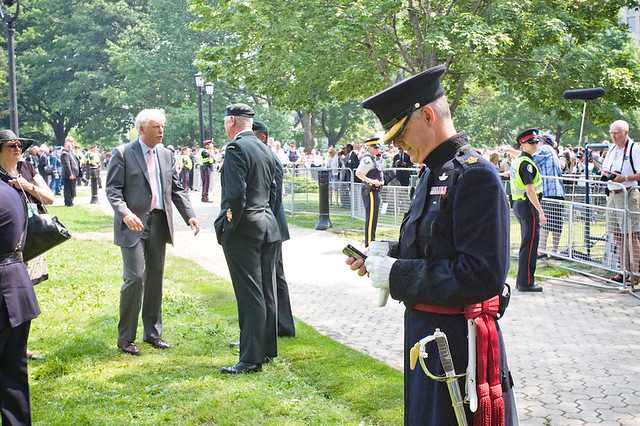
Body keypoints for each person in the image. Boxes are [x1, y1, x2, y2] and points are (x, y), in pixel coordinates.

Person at [346, 65, 517, 425]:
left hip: (459, 343)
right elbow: (433, 246)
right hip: (425, 334)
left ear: (427, 115)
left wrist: (397, 273)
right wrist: (386, 254)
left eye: (399, 133)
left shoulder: (475, 176)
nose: (394, 145)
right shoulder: (429, 173)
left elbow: (481, 275)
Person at [106, 109, 200, 356]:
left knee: (155, 278)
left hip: (159, 223)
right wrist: (125, 213)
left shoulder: (167, 154)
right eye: (156, 127)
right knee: (135, 278)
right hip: (133, 224)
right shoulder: (123, 153)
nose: (161, 131)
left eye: (163, 127)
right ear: (142, 129)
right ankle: (126, 338)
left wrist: (189, 215)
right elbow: (113, 190)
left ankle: (153, 334)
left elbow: (177, 189)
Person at [214, 104, 280, 374]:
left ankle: (251, 359)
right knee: (266, 291)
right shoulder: (265, 148)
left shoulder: (236, 149)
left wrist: (226, 226)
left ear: (231, 122)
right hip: (267, 223)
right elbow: (274, 191)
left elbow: (234, 196)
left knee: (250, 293)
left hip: (246, 228)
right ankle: (264, 348)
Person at [0, 131, 41, 425]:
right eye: (12, 145)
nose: (18, 150)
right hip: (12, 283)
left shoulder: (14, 187)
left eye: (20, 146)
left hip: (12, 282)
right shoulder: (10, 187)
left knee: (13, 366)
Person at [253, 120, 295, 337]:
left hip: (271, 226)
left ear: (261, 137)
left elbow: (273, 198)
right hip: (272, 226)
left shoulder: (269, 158)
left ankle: (280, 325)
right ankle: (283, 325)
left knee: (272, 278)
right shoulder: (268, 157)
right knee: (275, 277)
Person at [601, 119, 640, 285]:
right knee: (617, 235)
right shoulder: (611, 148)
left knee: (631, 235)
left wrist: (624, 177)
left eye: (616, 133)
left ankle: (636, 272)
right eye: (611, 132)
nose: (613, 136)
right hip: (612, 193)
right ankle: (624, 271)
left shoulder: (634, 148)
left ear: (625, 132)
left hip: (628, 194)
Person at [511, 128, 546, 292]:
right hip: (528, 205)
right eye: (531, 142)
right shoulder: (526, 163)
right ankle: (526, 282)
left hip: (521, 205)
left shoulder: (520, 160)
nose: (535, 144)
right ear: (522, 144)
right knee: (530, 245)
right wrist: (540, 211)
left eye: (536, 141)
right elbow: (530, 190)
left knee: (528, 244)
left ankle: (523, 281)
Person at [533, 134, 565, 257]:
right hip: (557, 192)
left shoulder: (544, 149)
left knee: (545, 220)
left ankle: (542, 250)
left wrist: (512, 152)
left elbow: (530, 159)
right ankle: (554, 250)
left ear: (542, 142)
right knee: (556, 222)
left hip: (550, 191)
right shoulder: (552, 151)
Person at [355, 138, 384, 247]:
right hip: (370, 190)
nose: (377, 149)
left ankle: (371, 241)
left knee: (374, 217)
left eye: (378, 147)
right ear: (370, 148)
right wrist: (372, 181)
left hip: (375, 191)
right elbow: (358, 173)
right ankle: (369, 243)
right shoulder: (367, 159)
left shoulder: (374, 159)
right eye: (375, 147)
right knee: (371, 218)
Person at [60, 137, 80, 207]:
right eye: (70, 143)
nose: (72, 144)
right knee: (68, 189)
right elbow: (67, 165)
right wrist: (70, 174)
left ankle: (70, 201)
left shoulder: (70, 152)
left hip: (73, 174)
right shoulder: (64, 153)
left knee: (72, 188)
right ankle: (69, 202)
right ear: (66, 144)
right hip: (68, 175)